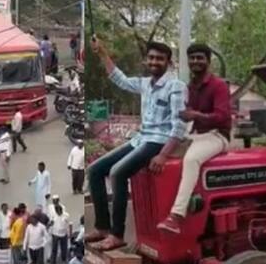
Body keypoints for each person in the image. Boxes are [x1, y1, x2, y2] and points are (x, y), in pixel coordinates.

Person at [88, 38, 186, 251]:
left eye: (159, 59)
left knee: (117, 173)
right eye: (151, 58)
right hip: (141, 138)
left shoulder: (176, 87)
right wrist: (102, 53)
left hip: (158, 142)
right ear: (145, 61)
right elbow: (119, 79)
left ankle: (117, 234)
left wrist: (163, 155)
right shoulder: (144, 84)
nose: (154, 62)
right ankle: (102, 227)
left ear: (168, 62)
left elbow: (179, 127)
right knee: (95, 170)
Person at [157, 43, 232, 234]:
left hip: (217, 136)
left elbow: (222, 116)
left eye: (200, 58)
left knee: (191, 159)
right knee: (160, 154)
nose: (195, 61)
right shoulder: (190, 87)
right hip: (197, 136)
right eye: (192, 58)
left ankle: (176, 216)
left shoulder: (219, 85)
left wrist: (195, 115)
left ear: (208, 61)